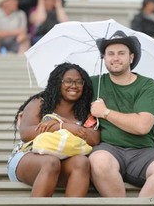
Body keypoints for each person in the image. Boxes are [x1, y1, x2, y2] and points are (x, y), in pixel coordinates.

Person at [89, 30, 154, 197]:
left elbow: (142, 126)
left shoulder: (148, 86)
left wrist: (105, 112)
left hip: (143, 151)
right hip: (108, 150)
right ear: (104, 58)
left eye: (121, 53)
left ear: (131, 57)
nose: (115, 58)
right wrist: (27, 110)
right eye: (110, 53)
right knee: (98, 160)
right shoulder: (94, 83)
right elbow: (61, 92)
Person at [7, 62, 100, 197]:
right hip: (29, 158)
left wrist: (66, 125)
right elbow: (26, 133)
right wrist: (60, 126)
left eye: (79, 82)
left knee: (82, 162)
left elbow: (94, 138)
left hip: (66, 160)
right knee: (51, 162)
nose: (73, 86)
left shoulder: (85, 110)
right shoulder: (40, 102)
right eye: (68, 81)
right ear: (58, 83)